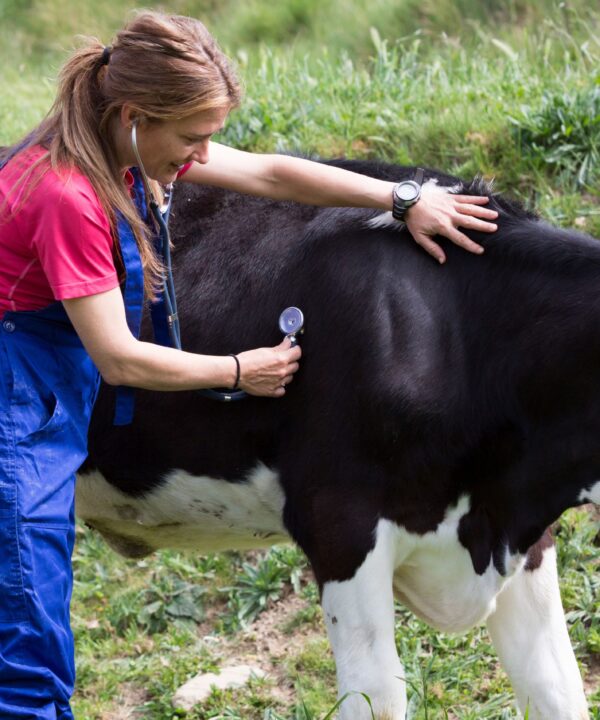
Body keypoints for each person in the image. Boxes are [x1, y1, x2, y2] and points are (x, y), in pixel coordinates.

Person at [0, 10, 498, 719]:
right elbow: (116, 357)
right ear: (137, 115)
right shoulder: (68, 195)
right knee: (27, 641)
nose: (201, 157)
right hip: (18, 403)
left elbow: (267, 172)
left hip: (44, 389)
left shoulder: (113, 145)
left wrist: (402, 196)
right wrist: (239, 370)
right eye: (193, 138)